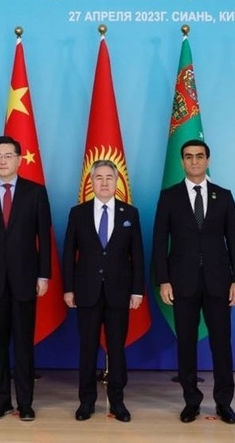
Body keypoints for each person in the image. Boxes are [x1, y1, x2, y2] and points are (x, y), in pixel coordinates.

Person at [152, 139, 235, 425]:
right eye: (189, 157)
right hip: (182, 282)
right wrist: (163, 280)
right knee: (186, 344)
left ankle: (224, 403)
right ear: (182, 161)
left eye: (199, 156)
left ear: (208, 160)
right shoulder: (169, 197)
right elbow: (159, 242)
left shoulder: (224, 196)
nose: (194, 161)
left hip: (219, 283)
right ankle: (191, 402)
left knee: (221, 344)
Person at [0, 135, 52, 422]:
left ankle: (25, 403)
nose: (2, 161)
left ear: (18, 159)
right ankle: (0, 401)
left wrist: (43, 275)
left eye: (8, 156)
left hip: (25, 279)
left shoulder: (35, 192)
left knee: (24, 345)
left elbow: (44, 238)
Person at [62, 160, 144, 423]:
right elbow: (68, 254)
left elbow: (137, 255)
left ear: (117, 181)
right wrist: (68, 289)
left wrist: (137, 291)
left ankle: (117, 402)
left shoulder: (130, 213)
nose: (105, 182)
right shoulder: (78, 213)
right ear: (92, 181)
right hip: (86, 291)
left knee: (116, 349)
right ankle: (86, 402)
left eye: (110, 177)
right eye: (99, 177)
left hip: (119, 292)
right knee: (87, 349)